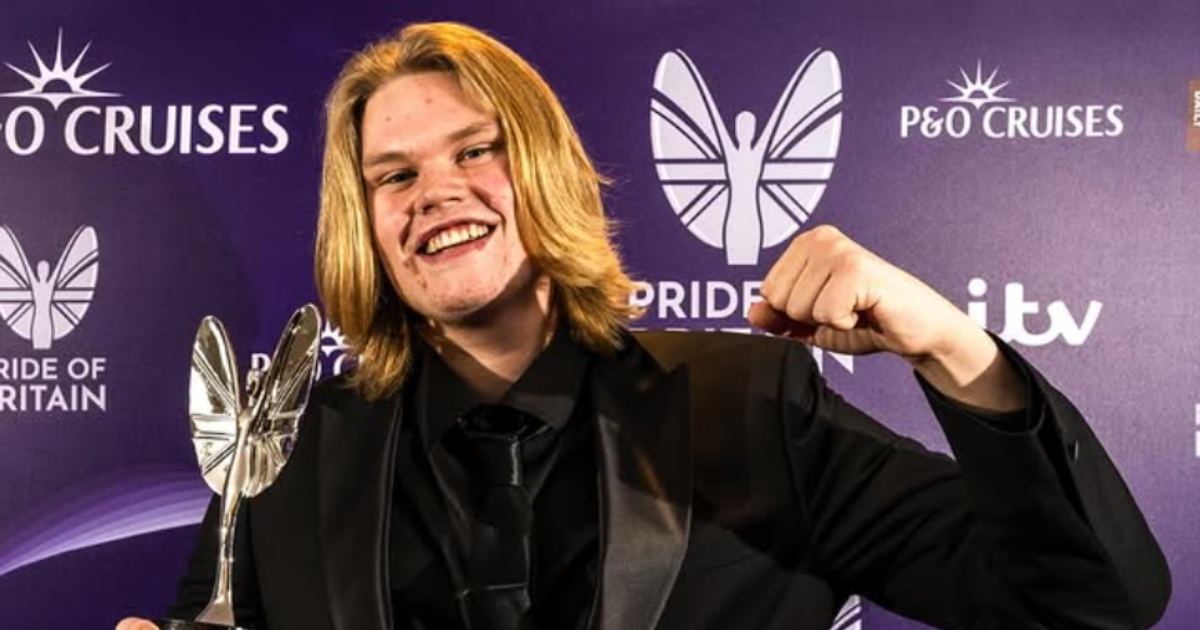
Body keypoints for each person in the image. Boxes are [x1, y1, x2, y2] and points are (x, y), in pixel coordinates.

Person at [119, 21, 1169, 630]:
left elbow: (1090, 603)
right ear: (366, 223)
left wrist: (952, 346)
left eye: (476, 151)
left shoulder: (753, 407)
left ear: (548, 171)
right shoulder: (290, 449)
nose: (435, 190)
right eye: (393, 174)